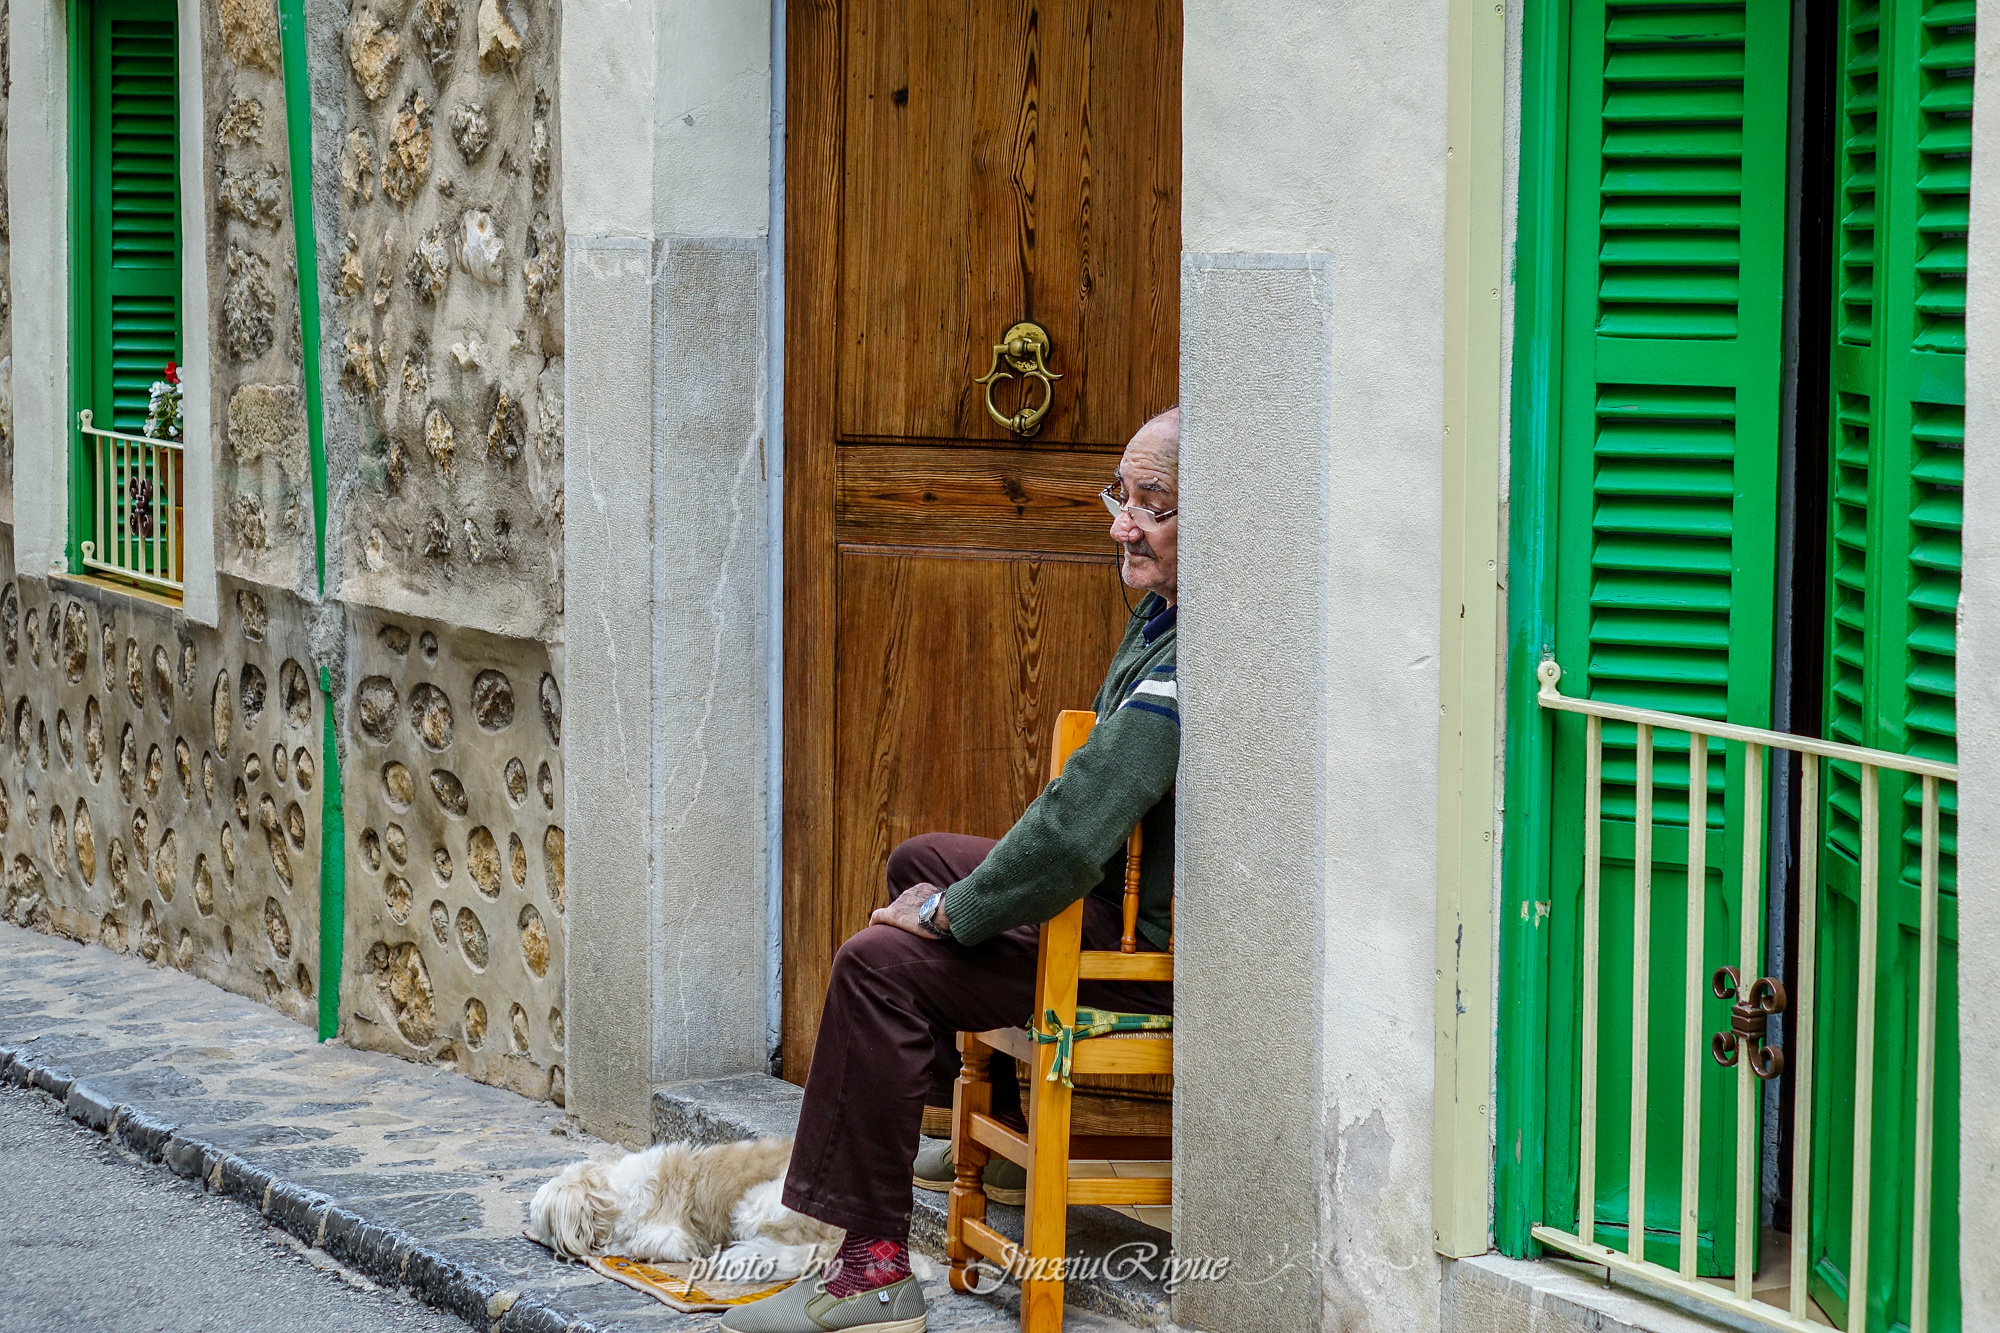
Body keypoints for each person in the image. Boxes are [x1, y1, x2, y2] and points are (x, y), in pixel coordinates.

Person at [720, 408, 1182, 1333]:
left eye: (1152, 505)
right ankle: (999, 1145)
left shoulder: (1192, 658)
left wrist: (952, 914)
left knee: (876, 965)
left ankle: (874, 1275)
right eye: (1119, 497)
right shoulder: (1163, 613)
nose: (1121, 524)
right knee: (914, 861)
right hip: (1113, 904)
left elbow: (1069, 834)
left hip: (1144, 947)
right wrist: (945, 894)